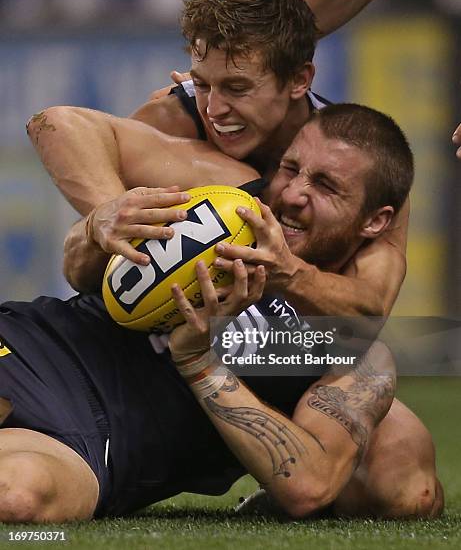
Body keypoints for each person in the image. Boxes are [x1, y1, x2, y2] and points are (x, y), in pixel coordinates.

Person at [0, 104, 442, 522]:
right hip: (31, 345)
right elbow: (77, 259)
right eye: (289, 169)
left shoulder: (353, 354)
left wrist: (198, 361)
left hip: (95, 441)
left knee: (18, 498)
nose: (292, 194)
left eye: (325, 186)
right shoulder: (222, 208)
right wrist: (99, 221)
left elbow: (308, 484)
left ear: (376, 222)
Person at [28, 0, 415, 317]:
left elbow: (371, 306)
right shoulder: (175, 118)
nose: (214, 109)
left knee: (370, 377)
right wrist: (109, 213)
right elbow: (54, 128)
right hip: (148, 338)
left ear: (299, 80)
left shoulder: (359, 161)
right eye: (202, 84)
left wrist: (287, 272)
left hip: (275, 343)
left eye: (237, 87)